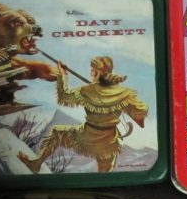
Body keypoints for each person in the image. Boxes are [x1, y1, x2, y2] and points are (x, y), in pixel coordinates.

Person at [18, 56, 148, 173]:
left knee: (57, 132)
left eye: (92, 71)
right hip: (108, 143)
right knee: (106, 170)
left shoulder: (86, 90)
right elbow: (141, 113)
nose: (91, 73)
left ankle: (36, 163)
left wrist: (62, 75)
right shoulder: (124, 93)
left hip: (86, 137)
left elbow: (63, 96)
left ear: (96, 73)